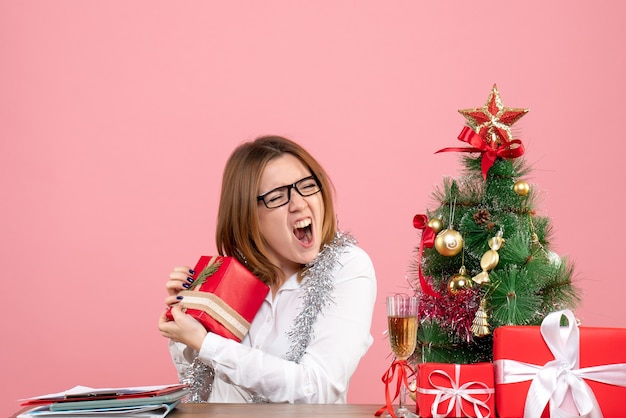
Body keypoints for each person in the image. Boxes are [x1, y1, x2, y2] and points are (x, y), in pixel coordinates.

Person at [158, 135, 377, 404]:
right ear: (247, 215)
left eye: (307, 186)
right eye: (277, 196)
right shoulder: (232, 279)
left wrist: (207, 344)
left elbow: (318, 388)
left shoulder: (348, 267)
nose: (298, 203)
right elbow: (200, 392)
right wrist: (185, 326)